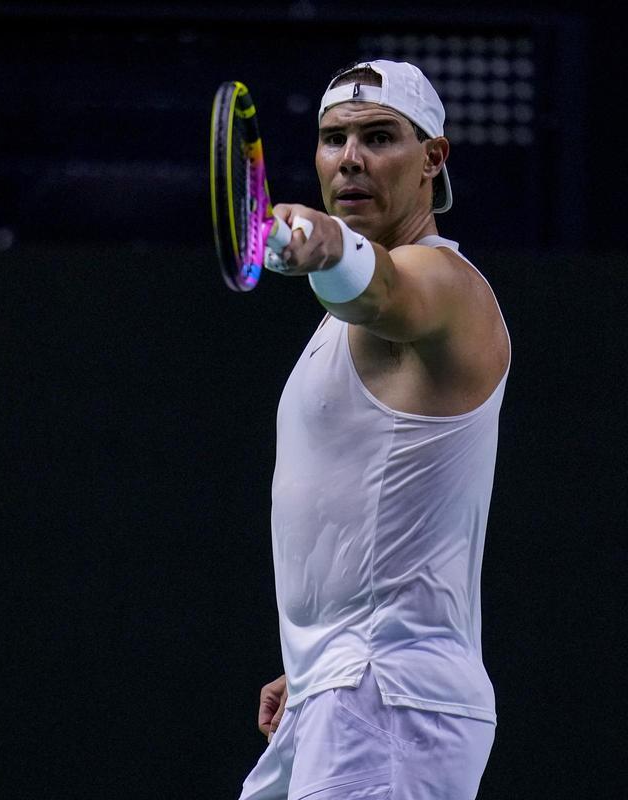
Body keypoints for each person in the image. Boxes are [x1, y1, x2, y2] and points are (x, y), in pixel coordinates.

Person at [237, 60, 511, 800]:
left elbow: (384, 288)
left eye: (379, 136)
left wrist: (326, 243)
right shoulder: (338, 325)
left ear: (433, 159)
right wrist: (311, 659)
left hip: (388, 700)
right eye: (333, 139)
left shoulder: (443, 287)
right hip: (350, 687)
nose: (350, 158)